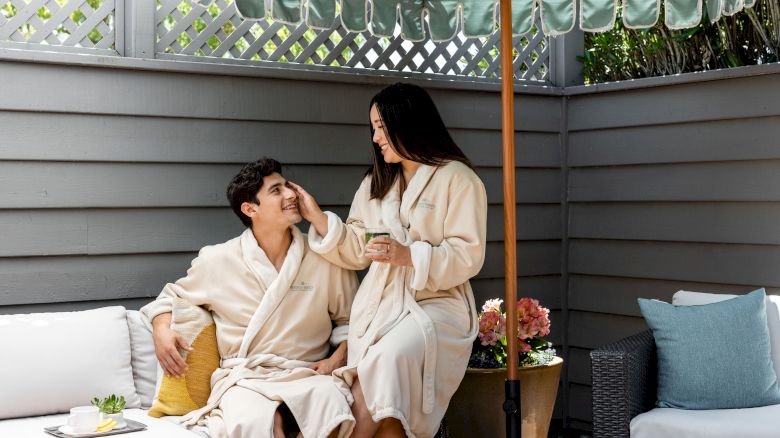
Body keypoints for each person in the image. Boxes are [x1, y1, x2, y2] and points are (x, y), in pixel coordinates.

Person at [291, 82, 488, 438]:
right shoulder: (376, 183)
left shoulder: (457, 180)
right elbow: (356, 247)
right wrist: (317, 218)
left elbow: (468, 255)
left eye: (381, 127)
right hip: (383, 304)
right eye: (374, 128)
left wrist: (410, 256)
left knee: (388, 360)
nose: (376, 137)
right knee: (390, 411)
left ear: (407, 123)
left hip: (437, 304)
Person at [140, 158, 358, 438]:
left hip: (307, 375)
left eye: (287, 186)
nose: (292, 194)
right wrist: (161, 331)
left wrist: (336, 360)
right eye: (276, 190)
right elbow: (169, 297)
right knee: (261, 424)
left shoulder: (322, 257)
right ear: (250, 208)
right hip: (246, 379)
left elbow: (353, 321)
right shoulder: (218, 260)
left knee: (330, 413)